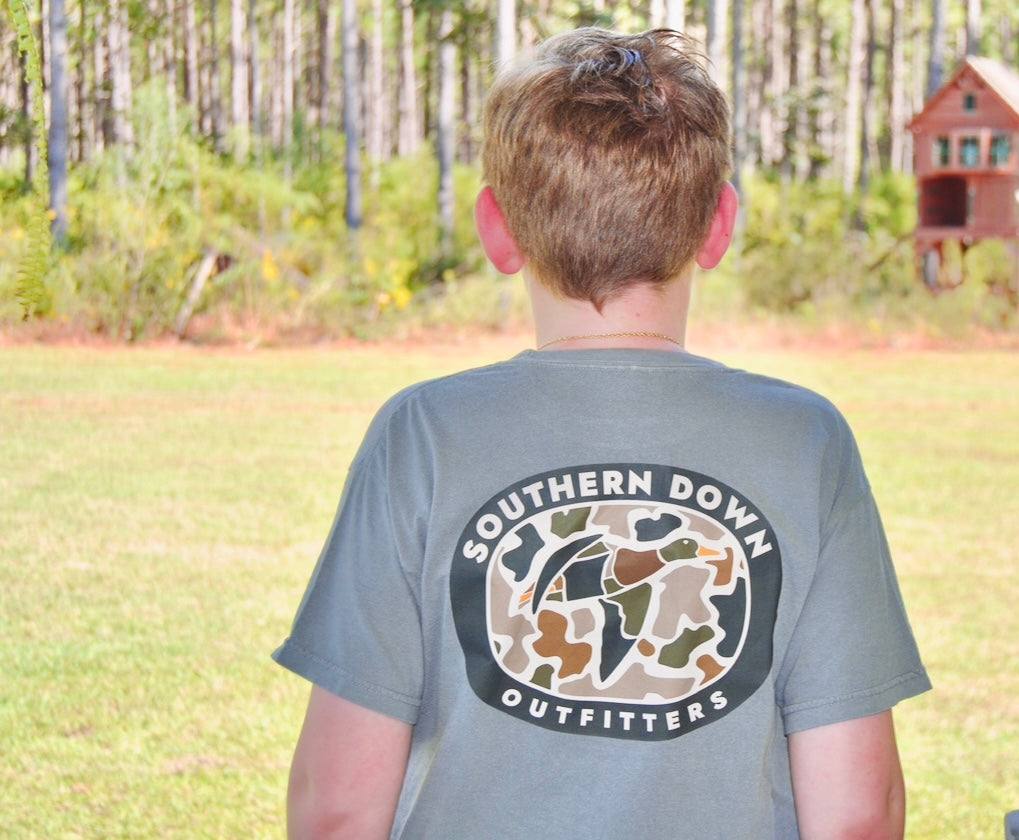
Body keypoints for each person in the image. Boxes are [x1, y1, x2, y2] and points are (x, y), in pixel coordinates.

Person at [273, 27, 930, 840]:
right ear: (719, 226)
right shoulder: (805, 444)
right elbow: (857, 816)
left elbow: (338, 807)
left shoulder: (423, 438)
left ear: (496, 230)